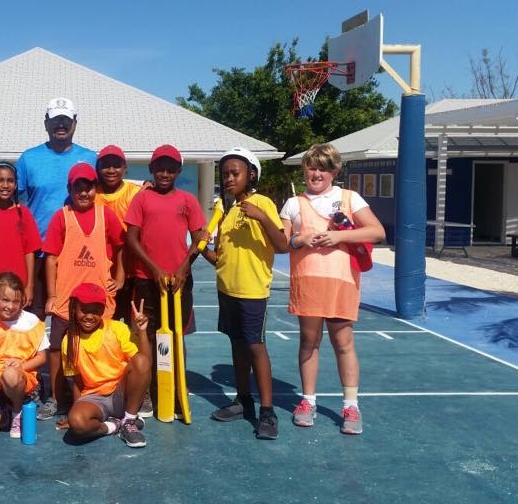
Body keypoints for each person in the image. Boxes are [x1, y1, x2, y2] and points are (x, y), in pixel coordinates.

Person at [279, 143, 385, 435]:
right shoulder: (292, 203)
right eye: (312, 167)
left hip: (341, 282)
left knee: (343, 343)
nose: (316, 173)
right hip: (308, 282)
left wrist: (338, 238)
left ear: (334, 171)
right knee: (309, 343)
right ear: (305, 169)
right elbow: (282, 242)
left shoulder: (350, 198)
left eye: (323, 168)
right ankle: (307, 400)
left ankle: (351, 405)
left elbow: (377, 231)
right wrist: (301, 240)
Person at [0, 97, 96, 318]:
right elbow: (6, 193)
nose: (61, 125)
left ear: (75, 123)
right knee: (34, 315)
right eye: (55, 120)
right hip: (40, 253)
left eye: (66, 120)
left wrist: (145, 186)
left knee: (75, 315)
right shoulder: (29, 158)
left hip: (77, 252)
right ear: (46, 123)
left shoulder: (90, 158)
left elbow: (111, 188)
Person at [201, 148, 288, 440]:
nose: (228, 178)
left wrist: (261, 216)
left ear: (251, 174)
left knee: (255, 347)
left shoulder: (262, 202)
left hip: (252, 291)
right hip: (226, 289)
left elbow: (282, 245)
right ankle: (243, 401)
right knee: (237, 345)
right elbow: (221, 258)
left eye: (234, 173)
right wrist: (202, 247)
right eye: (224, 174)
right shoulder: (225, 211)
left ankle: (267, 412)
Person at [124, 144, 209, 417]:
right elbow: (132, 239)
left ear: (178, 171)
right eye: (159, 167)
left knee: (175, 335)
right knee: (147, 337)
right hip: (146, 280)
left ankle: (175, 389)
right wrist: (155, 269)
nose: (164, 172)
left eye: (170, 168)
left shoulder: (187, 200)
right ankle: (147, 392)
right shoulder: (141, 199)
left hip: (179, 281)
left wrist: (184, 267)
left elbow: (199, 238)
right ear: (151, 169)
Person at [40, 163, 125, 421]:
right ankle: (57, 399)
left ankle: (104, 395)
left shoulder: (106, 215)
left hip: (98, 302)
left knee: (101, 350)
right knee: (57, 349)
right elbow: (51, 259)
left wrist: (119, 278)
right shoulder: (62, 217)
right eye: (79, 187)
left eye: (89, 186)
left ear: (95, 188)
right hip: (67, 299)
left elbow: (122, 247)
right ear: (70, 189)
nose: (84, 192)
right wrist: (53, 296)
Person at [61, 283, 151, 448]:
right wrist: (76, 411)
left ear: (103, 311)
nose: (89, 316)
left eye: (96, 311)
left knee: (141, 361)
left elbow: (144, 363)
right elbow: (77, 381)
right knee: (77, 422)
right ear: (74, 308)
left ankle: (129, 420)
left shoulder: (117, 329)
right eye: (84, 309)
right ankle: (114, 426)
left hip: (120, 392)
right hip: (94, 398)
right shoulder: (68, 341)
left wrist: (142, 331)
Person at [0, 272, 48, 444]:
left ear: (22, 301)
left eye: (16, 301)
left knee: (10, 374)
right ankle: (4, 413)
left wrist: (22, 365)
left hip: (20, 378)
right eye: (5, 300)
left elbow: (42, 357)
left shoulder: (32, 321)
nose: (10, 306)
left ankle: (16, 411)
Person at [0, 162, 41, 309]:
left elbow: (29, 251)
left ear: (16, 184)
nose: (5, 185)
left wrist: (29, 287)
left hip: (17, 292)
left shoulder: (23, 213)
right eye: (0, 180)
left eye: (10, 181)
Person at [94, 144, 142, 323]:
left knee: (134, 327)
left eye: (117, 165)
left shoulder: (137, 193)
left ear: (125, 168)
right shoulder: (92, 194)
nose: (111, 170)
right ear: (98, 169)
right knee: (105, 325)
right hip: (102, 275)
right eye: (106, 165)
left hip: (134, 273)